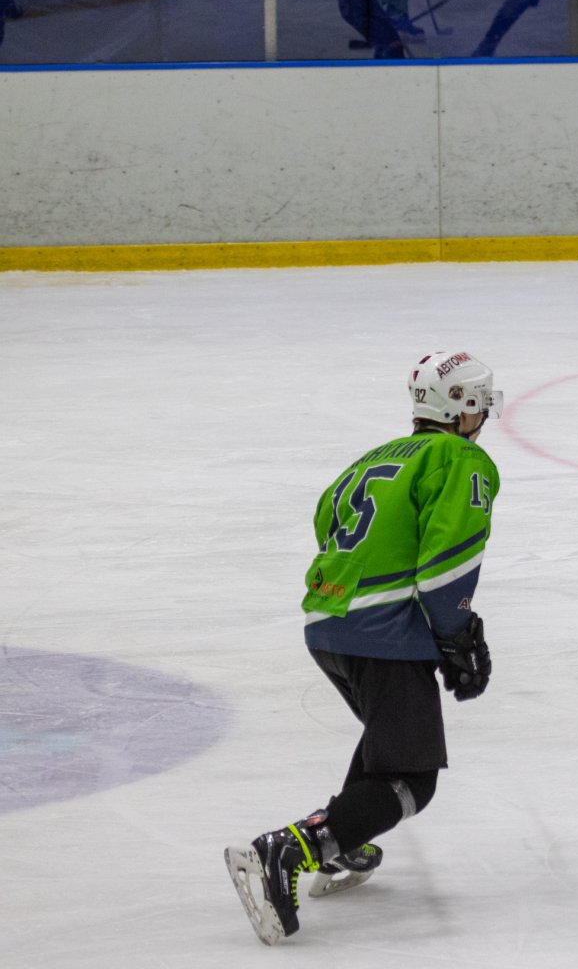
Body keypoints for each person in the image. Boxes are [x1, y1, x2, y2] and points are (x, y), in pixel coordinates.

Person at [225, 351, 501, 945]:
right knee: (411, 778)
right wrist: (455, 636)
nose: (484, 412)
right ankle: (291, 848)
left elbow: (327, 525)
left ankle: (344, 841)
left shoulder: (372, 459)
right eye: (480, 401)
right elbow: (447, 564)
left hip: (328, 622)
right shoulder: (461, 459)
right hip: (384, 632)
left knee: (388, 742)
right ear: (460, 406)